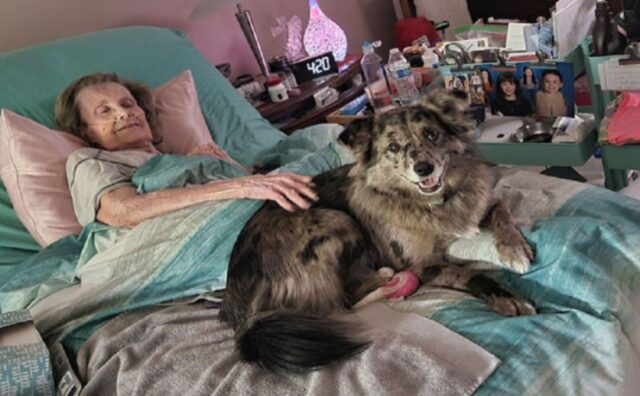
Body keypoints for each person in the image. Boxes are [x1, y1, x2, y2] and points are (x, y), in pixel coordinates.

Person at [55, 73, 318, 228]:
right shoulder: (88, 159)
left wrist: (231, 166)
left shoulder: (180, 158)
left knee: (320, 135)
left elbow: (261, 183)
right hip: (220, 222)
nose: (124, 113)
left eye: (128, 104)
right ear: (84, 131)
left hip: (254, 203)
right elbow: (123, 210)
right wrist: (240, 186)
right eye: (105, 111)